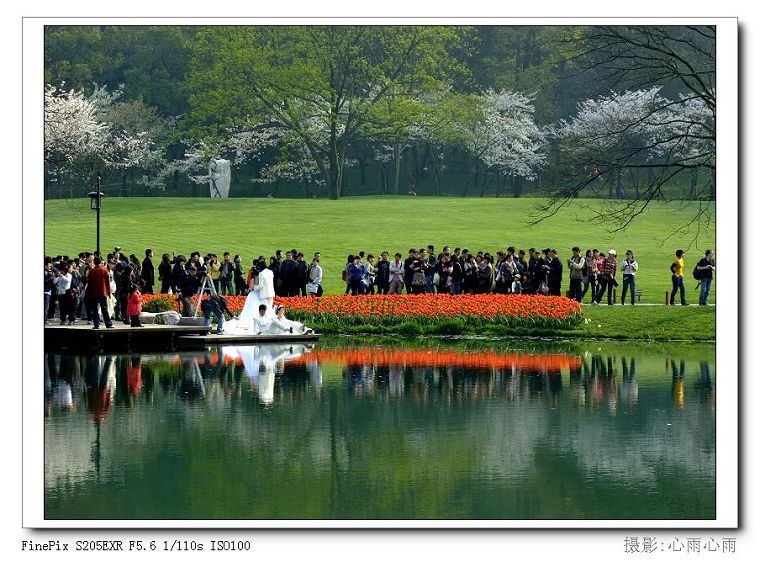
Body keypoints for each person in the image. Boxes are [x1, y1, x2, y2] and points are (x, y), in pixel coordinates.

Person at [86, 256, 115, 329]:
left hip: (94, 292)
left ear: (94, 262)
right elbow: (107, 283)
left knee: (95, 309)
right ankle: (108, 323)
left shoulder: (91, 271)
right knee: (104, 308)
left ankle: (96, 324)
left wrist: (89, 293)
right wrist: (108, 292)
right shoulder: (105, 270)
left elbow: (90, 283)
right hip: (103, 291)